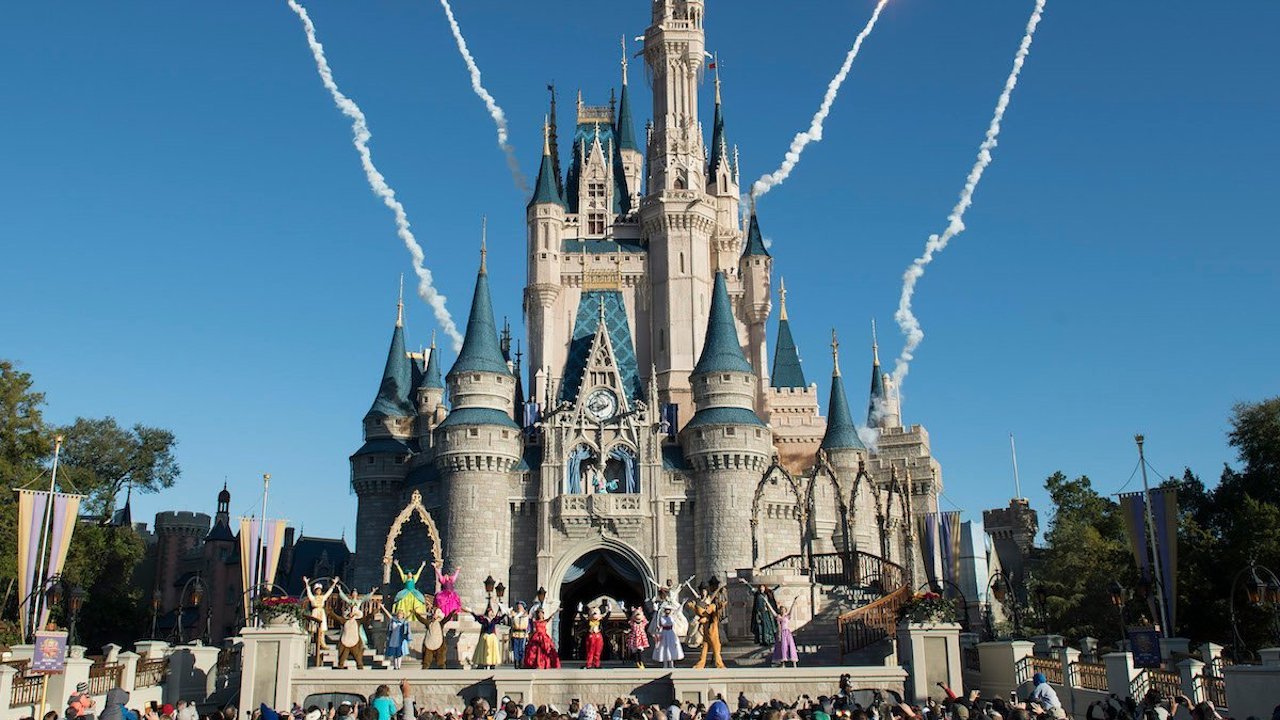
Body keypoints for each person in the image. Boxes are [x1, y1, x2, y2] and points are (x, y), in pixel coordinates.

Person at [686, 581, 727, 669]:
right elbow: (699, 612)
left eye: (704, 590)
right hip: (706, 627)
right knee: (710, 646)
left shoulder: (709, 600)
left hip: (710, 624)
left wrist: (719, 588)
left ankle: (713, 664)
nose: (703, 592)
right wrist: (693, 607)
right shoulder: (699, 601)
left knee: (711, 646)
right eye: (702, 590)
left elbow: (713, 611)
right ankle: (709, 664)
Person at [738, 579, 779, 648]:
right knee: (760, 627)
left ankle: (768, 640)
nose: (761, 588)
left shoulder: (767, 594)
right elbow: (751, 588)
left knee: (767, 627)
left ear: (764, 588)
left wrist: (779, 585)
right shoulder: (757, 594)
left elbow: (773, 589)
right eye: (760, 587)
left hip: (766, 613)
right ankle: (761, 641)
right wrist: (745, 582)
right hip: (759, 614)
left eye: (762, 587)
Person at [468, 604, 507, 670]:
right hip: (485, 637)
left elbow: (500, 618)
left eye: (492, 612)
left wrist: (505, 613)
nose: (492, 613)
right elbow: (477, 618)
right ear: (487, 613)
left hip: (492, 637)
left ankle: (492, 663)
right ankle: (484, 663)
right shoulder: (484, 620)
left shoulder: (494, 620)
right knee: (484, 650)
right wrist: (471, 612)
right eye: (490, 612)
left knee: (492, 651)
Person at [301, 577, 336, 650]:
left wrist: (334, 584)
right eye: (317, 590)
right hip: (315, 612)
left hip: (321, 612)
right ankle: (309, 644)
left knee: (322, 630)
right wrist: (306, 583)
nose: (319, 591)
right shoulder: (313, 598)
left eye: (320, 590)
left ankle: (322, 643)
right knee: (313, 629)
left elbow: (328, 593)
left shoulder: (323, 597)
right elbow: (309, 593)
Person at [524, 602, 561, 669]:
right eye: (539, 613)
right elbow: (530, 618)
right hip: (536, 637)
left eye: (541, 613)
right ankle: (535, 664)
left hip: (544, 638)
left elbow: (550, 617)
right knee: (535, 650)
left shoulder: (545, 621)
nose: (540, 615)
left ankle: (544, 664)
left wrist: (556, 611)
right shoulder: (535, 622)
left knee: (546, 650)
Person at [768, 595, 800, 667]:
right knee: (782, 647)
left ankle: (794, 662)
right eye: (781, 609)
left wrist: (794, 601)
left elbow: (792, 610)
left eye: (783, 609)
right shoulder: (778, 617)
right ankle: (783, 663)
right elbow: (772, 611)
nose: (782, 611)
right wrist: (767, 602)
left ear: (785, 610)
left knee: (790, 646)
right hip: (781, 633)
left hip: (787, 632)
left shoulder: (787, 616)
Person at [337, 601, 365, 669]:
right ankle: (340, 666)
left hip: (355, 641)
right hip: (345, 641)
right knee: (343, 656)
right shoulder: (344, 621)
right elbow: (337, 618)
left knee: (357, 656)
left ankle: (360, 666)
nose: (351, 615)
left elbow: (365, 619)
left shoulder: (358, 622)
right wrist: (331, 613)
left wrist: (371, 614)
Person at [418, 604, 447, 669]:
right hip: (430, 641)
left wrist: (451, 613)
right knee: (427, 656)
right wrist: (416, 614)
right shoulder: (429, 623)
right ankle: (425, 666)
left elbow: (446, 619)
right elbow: (421, 620)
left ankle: (441, 666)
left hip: (439, 641)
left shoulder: (440, 623)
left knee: (440, 655)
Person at [508, 601, 531, 668]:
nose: (519, 607)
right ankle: (516, 662)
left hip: (523, 634)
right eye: (518, 606)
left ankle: (521, 662)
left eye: (520, 606)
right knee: (515, 649)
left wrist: (528, 634)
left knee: (522, 649)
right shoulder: (514, 615)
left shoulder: (526, 615)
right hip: (515, 634)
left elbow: (528, 626)